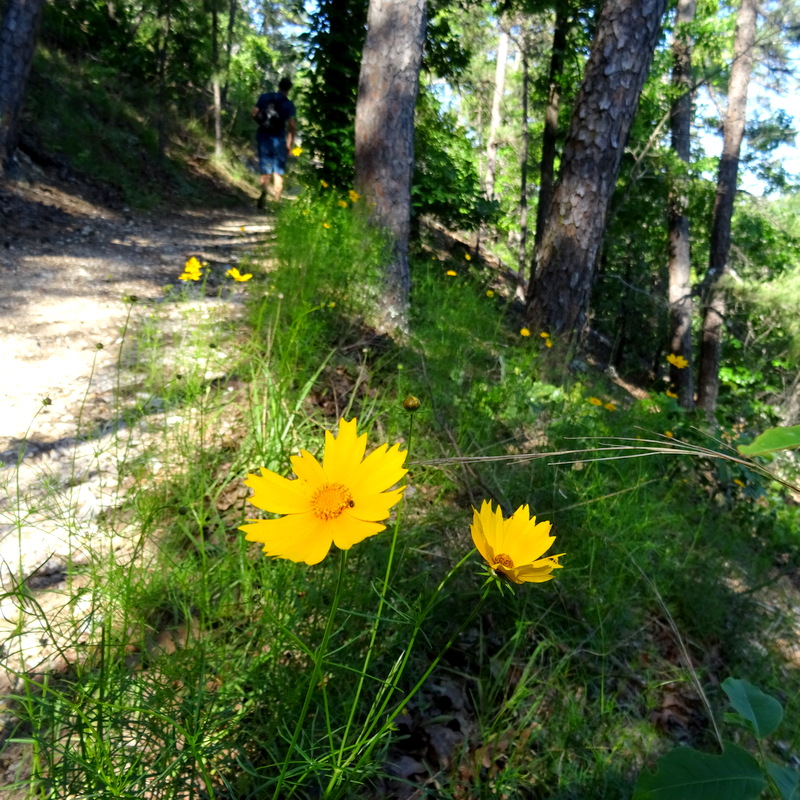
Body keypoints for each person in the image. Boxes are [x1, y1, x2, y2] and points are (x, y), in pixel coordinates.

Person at [252, 77, 296, 207]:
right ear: (289, 89)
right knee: (278, 171)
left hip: (264, 137)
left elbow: (254, 113)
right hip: (279, 140)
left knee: (266, 169)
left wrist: (263, 124)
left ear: (279, 85)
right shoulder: (289, 104)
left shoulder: (264, 97)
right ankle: (276, 201)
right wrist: (289, 144)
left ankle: (264, 192)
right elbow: (292, 125)